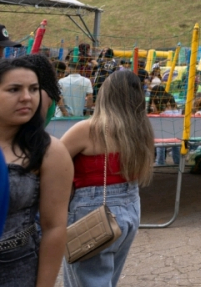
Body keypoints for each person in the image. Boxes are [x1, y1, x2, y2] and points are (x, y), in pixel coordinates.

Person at [61, 69, 154, 286]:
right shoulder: (142, 131)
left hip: (93, 208)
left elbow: (52, 162)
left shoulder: (89, 129)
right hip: (130, 208)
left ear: (105, 95)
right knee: (106, 279)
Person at [0, 56, 73, 287]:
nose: (26, 97)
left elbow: (54, 228)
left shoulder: (50, 151)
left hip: (17, 269)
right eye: (14, 89)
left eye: (33, 89)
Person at [155, 96, 182, 167]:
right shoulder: (179, 112)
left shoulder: (162, 114)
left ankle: (160, 162)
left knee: (160, 145)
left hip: (164, 136)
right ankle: (178, 161)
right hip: (176, 135)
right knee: (176, 146)